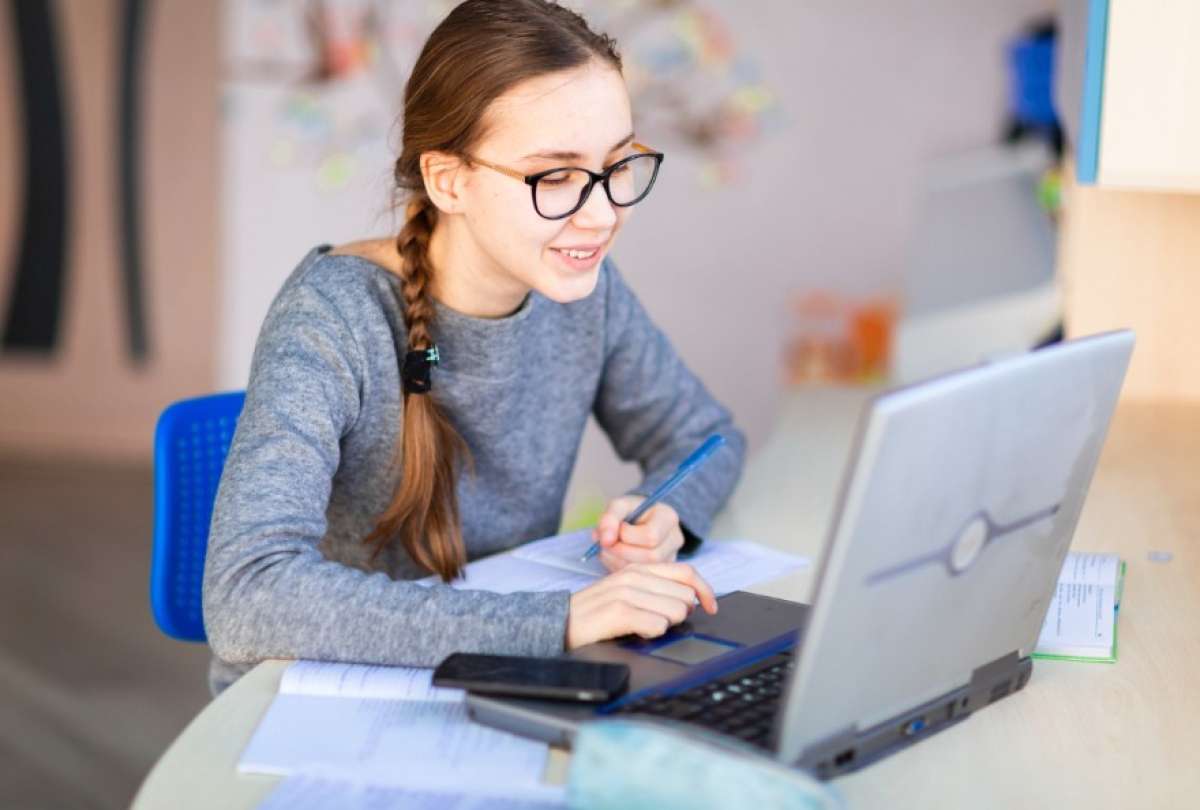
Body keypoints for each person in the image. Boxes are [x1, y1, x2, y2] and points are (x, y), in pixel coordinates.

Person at [202, 0, 746, 696]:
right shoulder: (333, 316)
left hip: (494, 679)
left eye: (618, 165)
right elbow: (248, 594)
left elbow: (708, 438)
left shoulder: (586, 292)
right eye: (555, 176)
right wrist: (556, 623)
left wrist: (663, 507)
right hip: (318, 698)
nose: (604, 213)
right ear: (449, 180)